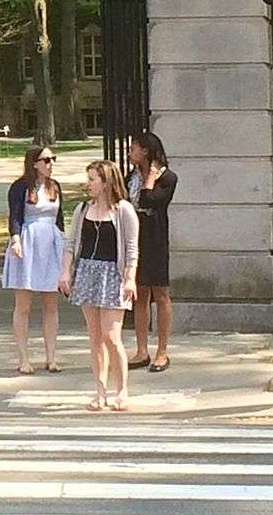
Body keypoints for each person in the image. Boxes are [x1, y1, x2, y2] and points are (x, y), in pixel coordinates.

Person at [59, 160, 139, 412]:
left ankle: (122, 389)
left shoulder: (123, 210)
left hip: (112, 275)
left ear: (106, 182)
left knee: (111, 335)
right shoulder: (83, 209)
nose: (89, 184)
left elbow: (132, 247)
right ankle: (100, 390)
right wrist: (65, 272)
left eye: (93, 179)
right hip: (87, 272)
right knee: (95, 337)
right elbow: (71, 243)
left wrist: (129, 277)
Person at [2, 143, 66, 374]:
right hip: (29, 241)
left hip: (51, 242)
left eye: (52, 160)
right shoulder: (20, 187)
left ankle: (51, 357)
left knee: (51, 304)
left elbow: (60, 219)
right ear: (34, 163)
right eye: (46, 160)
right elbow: (15, 216)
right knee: (24, 305)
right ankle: (24, 359)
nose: (50, 165)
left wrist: (64, 246)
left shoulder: (55, 187)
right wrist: (15, 239)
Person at [125, 131, 178, 373]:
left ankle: (163, 351)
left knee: (161, 292)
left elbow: (149, 201)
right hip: (136, 237)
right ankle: (141, 350)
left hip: (155, 238)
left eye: (133, 148)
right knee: (140, 294)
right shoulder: (131, 177)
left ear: (145, 150)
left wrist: (149, 181)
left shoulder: (167, 178)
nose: (130, 152)